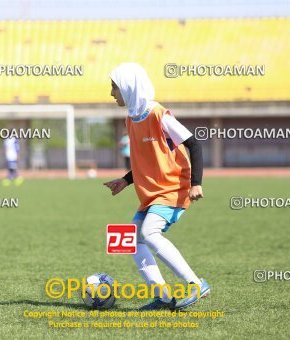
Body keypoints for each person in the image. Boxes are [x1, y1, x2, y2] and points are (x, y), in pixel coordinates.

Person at [103, 63, 210, 310]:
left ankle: (196, 284)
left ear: (128, 87)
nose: (111, 93)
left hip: (174, 188)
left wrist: (196, 184)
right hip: (151, 194)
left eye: (114, 87)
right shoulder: (131, 119)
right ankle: (162, 297)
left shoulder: (159, 114)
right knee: (131, 240)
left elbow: (194, 144)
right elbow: (146, 160)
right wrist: (125, 180)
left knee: (150, 233)